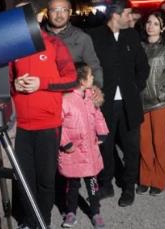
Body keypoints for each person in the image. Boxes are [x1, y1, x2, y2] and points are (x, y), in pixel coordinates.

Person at [11, 26, 77, 228]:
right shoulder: (12, 46)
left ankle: (43, 221)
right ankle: (29, 219)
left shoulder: (54, 43)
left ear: (35, 17)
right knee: (24, 179)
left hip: (48, 124)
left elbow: (71, 79)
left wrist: (41, 83)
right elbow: (4, 82)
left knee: (46, 179)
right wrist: (15, 84)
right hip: (20, 125)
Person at [87, 0, 149, 207]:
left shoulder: (131, 35)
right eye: (128, 14)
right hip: (104, 103)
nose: (131, 17)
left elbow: (143, 67)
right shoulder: (94, 36)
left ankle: (128, 187)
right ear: (116, 15)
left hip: (129, 104)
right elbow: (88, 68)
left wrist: (135, 88)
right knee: (106, 146)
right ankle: (107, 185)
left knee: (131, 147)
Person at [137, 11, 165, 196]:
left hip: (159, 104)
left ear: (163, 27)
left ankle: (159, 179)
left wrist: (162, 95)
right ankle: (145, 178)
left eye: (156, 23)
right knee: (144, 142)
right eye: (148, 22)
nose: (150, 26)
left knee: (159, 142)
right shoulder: (139, 46)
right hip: (140, 102)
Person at [58, 63, 109, 228]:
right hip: (73, 152)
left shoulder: (90, 97)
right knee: (72, 186)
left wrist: (102, 133)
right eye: (90, 76)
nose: (93, 78)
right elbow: (58, 125)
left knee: (93, 185)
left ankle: (95, 212)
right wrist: (65, 144)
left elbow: (98, 115)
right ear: (81, 80)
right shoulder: (65, 100)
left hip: (90, 151)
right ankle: (71, 212)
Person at [44, 0, 103, 87]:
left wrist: (96, 86)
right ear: (47, 13)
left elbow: (94, 67)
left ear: (70, 12)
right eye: (54, 10)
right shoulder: (38, 37)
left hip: (72, 92)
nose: (59, 15)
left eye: (64, 10)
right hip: (45, 91)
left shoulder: (81, 38)